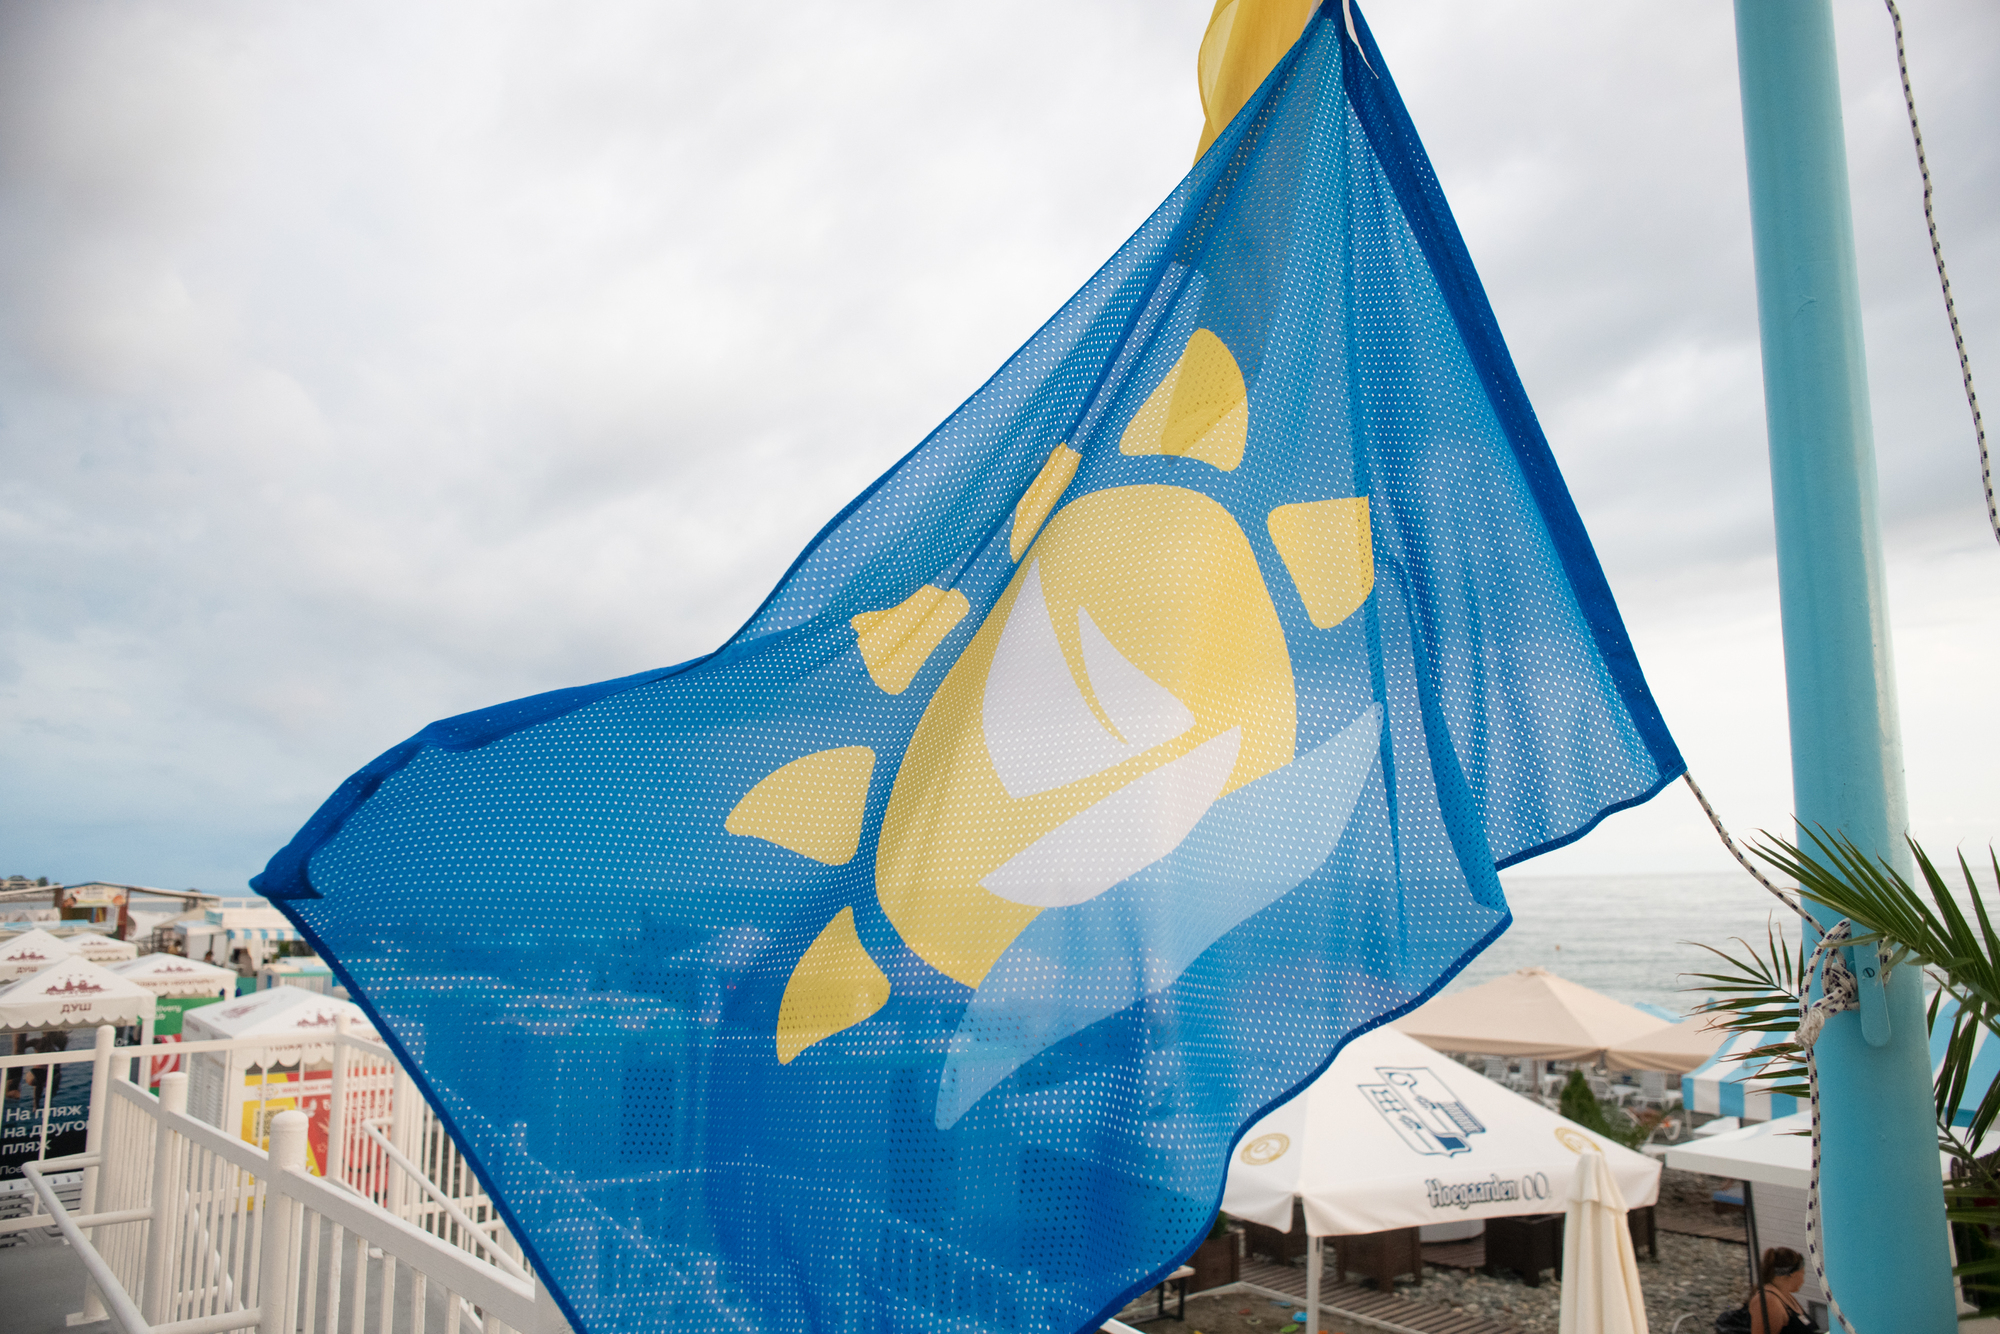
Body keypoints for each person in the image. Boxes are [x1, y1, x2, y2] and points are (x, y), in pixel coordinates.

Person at [1748, 1248, 1818, 1334]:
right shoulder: (1769, 1301)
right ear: (1793, 1275)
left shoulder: (1786, 1296)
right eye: (1802, 1274)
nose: (1803, 1281)